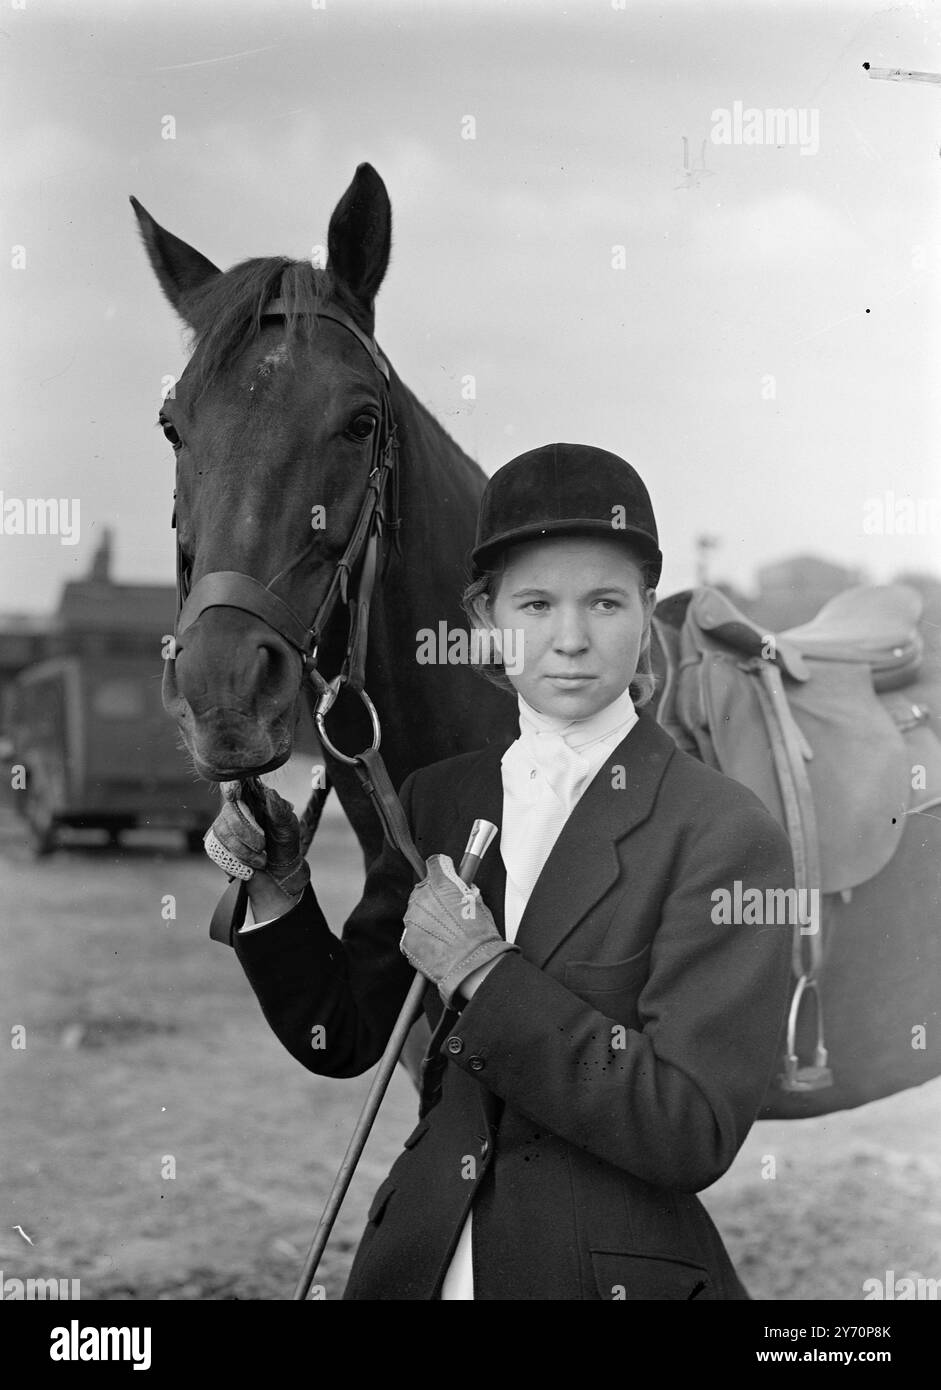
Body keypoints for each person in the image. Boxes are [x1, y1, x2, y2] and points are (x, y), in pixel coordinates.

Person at [206, 442, 794, 1300]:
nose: (568, 639)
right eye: (534, 603)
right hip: (417, 1262)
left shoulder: (724, 831)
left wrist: (485, 975)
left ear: (645, 611)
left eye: (603, 601)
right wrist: (279, 892)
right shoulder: (438, 798)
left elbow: (689, 1130)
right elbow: (345, 1038)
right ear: (484, 617)